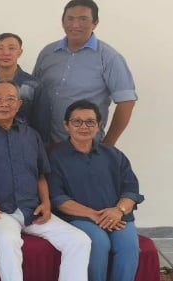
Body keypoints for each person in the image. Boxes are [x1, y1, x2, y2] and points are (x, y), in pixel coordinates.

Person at [0, 81, 90, 281]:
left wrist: (47, 203)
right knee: (8, 241)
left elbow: (41, 174)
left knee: (79, 240)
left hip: (32, 209)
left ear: (19, 104)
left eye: (10, 99)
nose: (4, 103)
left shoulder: (31, 135)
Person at [49, 100, 144, 281]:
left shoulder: (114, 155)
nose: (84, 126)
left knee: (129, 246)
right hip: (79, 218)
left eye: (90, 122)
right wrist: (94, 215)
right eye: (77, 121)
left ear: (99, 126)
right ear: (66, 125)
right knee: (98, 243)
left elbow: (131, 189)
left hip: (117, 216)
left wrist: (118, 210)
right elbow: (58, 198)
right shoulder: (55, 158)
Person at [33, 0, 137, 146]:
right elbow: (35, 93)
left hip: (84, 148)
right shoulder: (48, 53)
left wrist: (107, 147)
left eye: (83, 19)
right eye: (70, 19)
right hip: (45, 145)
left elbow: (127, 102)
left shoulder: (108, 58)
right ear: (62, 22)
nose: (75, 25)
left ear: (95, 23)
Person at [0, 33, 40, 127]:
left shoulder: (34, 85)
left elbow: (41, 122)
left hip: (26, 139)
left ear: (20, 52)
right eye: (0, 48)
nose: (6, 53)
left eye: (12, 48)